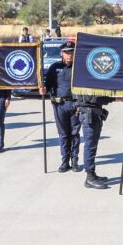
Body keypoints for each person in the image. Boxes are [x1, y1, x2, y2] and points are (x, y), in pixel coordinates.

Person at [40, 42, 81, 173]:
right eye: (67, 52)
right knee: (63, 134)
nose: (69, 55)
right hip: (59, 105)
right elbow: (47, 85)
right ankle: (65, 161)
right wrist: (43, 89)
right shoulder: (54, 67)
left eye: (71, 52)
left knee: (74, 134)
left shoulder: (79, 67)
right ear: (62, 53)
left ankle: (74, 160)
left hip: (75, 105)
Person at [73, 93, 113, 190]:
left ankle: (92, 174)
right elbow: (91, 98)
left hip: (95, 113)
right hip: (88, 114)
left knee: (93, 145)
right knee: (90, 146)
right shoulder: (83, 82)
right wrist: (109, 97)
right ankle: (90, 178)